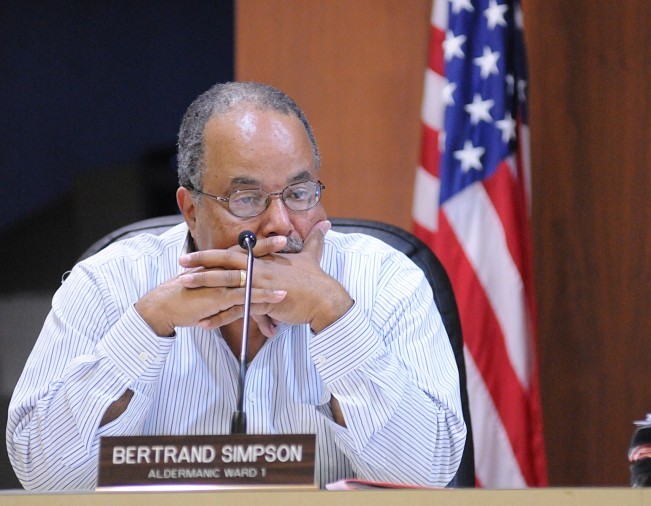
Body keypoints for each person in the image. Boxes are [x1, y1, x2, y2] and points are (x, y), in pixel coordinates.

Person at [7, 82, 466, 490]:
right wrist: (147, 326)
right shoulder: (108, 283)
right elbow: (46, 479)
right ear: (190, 209)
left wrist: (334, 314)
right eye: (247, 200)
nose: (281, 226)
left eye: (300, 194)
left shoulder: (387, 280)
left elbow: (426, 476)